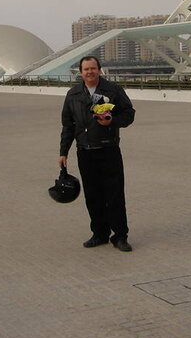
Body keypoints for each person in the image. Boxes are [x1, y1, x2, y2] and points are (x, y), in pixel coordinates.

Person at [58, 56, 136, 252]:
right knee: (93, 196)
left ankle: (120, 236)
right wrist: (63, 152)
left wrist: (112, 121)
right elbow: (68, 125)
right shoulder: (73, 94)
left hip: (109, 149)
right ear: (81, 72)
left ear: (99, 70)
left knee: (115, 194)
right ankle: (100, 233)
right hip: (85, 151)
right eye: (86, 69)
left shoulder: (113, 90)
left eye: (93, 68)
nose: (90, 72)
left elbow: (129, 114)